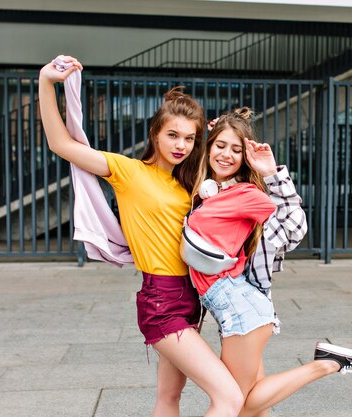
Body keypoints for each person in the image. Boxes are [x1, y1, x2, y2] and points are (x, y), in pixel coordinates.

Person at [38, 55, 243, 417]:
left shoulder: (190, 182)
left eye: (189, 138)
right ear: (155, 133)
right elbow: (60, 143)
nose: (181, 145)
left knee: (169, 399)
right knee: (229, 397)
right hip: (161, 301)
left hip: (193, 297)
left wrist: (220, 135)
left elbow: (229, 181)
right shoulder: (129, 172)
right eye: (173, 135)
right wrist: (45, 82)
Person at [185, 108, 352, 417]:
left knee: (239, 403)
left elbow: (294, 226)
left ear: (245, 157)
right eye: (220, 145)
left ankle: (325, 364)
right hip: (235, 309)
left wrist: (272, 174)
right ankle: (327, 363)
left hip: (241, 310)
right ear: (208, 147)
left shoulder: (244, 194)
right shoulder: (206, 192)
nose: (226, 155)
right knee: (255, 409)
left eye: (236, 149)